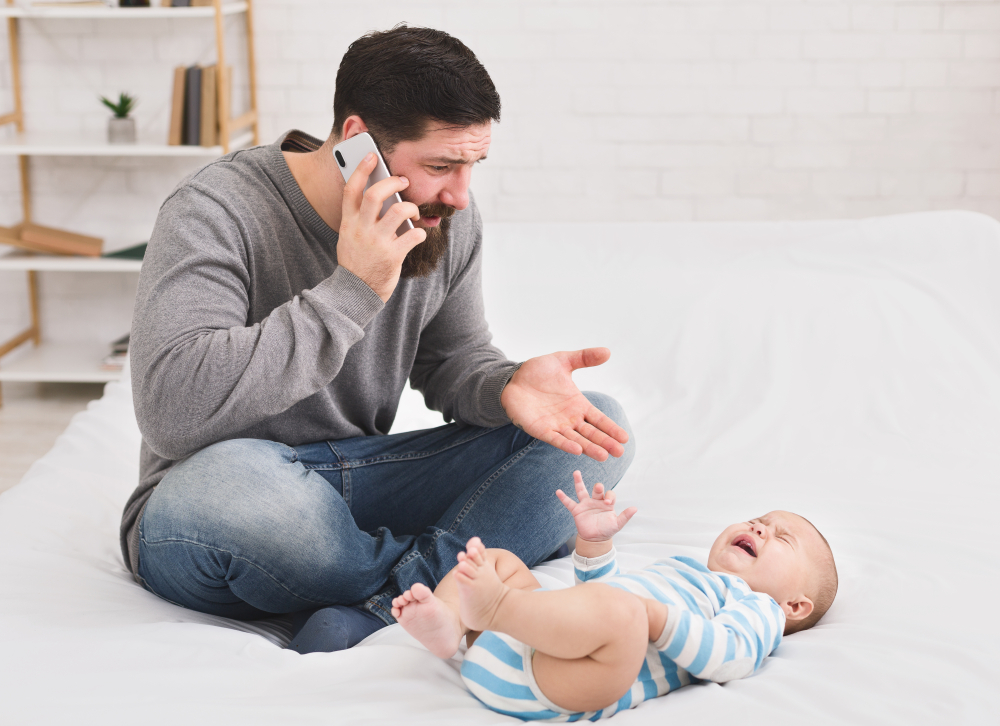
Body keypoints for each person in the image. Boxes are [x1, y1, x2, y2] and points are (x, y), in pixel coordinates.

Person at [119, 25, 635, 653]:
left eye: (473, 166)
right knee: (241, 487)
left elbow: (452, 362)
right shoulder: (216, 210)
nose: (460, 195)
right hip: (218, 500)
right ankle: (453, 574)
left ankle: (383, 607)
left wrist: (507, 387)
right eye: (441, 166)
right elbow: (171, 412)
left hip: (356, 479)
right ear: (357, 139)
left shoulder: (442, 218)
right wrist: (352, 288)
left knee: (597, 432)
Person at [392, 471, 838, 721]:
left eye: (783, 538)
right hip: (522, 643)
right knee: (500, 560)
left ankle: (496, 607)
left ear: (795, 605)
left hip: (555, 683)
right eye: (758, 518)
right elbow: (593, 603)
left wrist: (651, 617)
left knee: (622, 615)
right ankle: (452, 624)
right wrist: (595, 545)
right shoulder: (681, 572)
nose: (760, 527)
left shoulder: (759, 609)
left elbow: (730, 655)